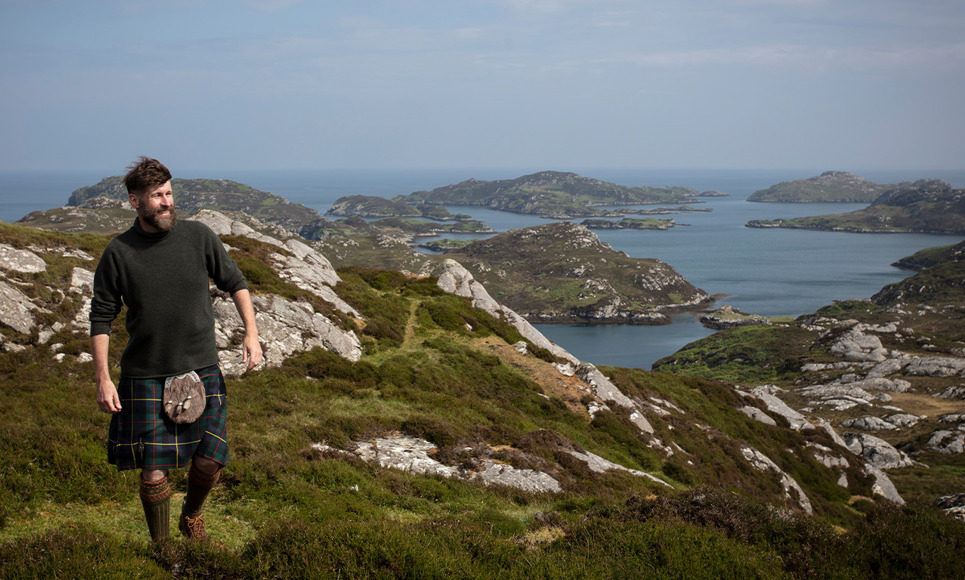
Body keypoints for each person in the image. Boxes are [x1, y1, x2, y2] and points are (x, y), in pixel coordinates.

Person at [90, 156, 262, 541]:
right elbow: (101, 317)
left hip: (202, 367)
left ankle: (191, 515)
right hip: (145, 373)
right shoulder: (118, 253)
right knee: (153, 468)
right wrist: (102, 378)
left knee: (210, 459)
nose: (167, 202)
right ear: (135, 201)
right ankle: (161, 545)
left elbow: (235, 282)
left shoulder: (199, 237)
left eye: (169, 193)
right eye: (157, 196)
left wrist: (252, 334)